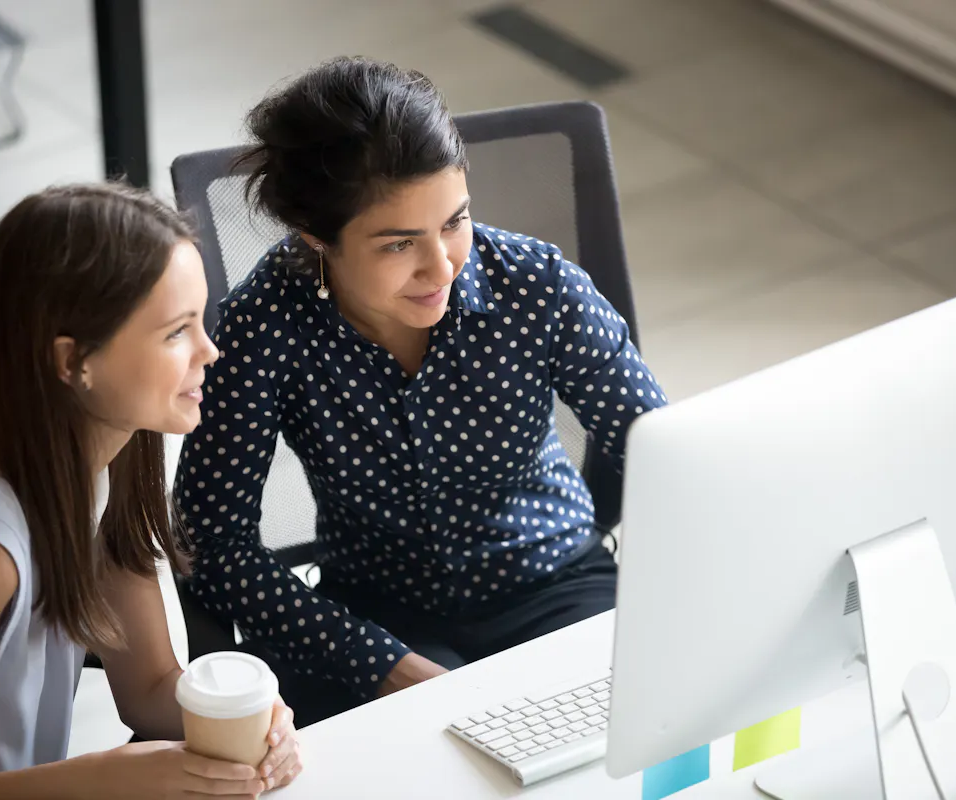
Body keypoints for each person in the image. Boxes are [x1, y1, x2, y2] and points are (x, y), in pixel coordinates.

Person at [175, 57, 668, 726]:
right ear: (315, 236)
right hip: (377, 613)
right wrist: (373, 660)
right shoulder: (266, 323)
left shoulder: (538, 286)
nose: (441, 267)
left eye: (455, 221)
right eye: (399, 243)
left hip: (554, 583)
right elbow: (212, 542)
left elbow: (665, 456)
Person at [0, 184, 302, 799]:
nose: (209, 351)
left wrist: (257, 724)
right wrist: (103, 778)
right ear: (73, 362)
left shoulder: (107, 461)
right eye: (175, 333)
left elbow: (150, 690)